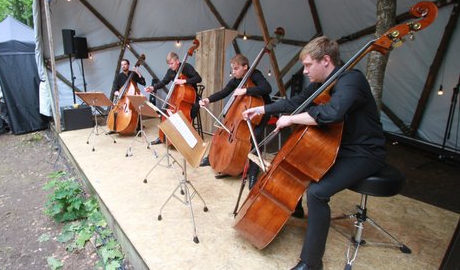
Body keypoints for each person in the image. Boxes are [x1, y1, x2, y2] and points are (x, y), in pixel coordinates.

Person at [242, 36, 386, 270]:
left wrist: (291, 120)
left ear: (326, 61)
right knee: (303, 159)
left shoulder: (352, 79)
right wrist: (262, 108)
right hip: (336, 146)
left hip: (363, 152)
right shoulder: (322, 82)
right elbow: (296, 102)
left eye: (308, 65)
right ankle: (295, 207)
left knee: (318, 192)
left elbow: (332, 113)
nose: (305, 70)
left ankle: (311, 263)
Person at [198, 54, 272, 189]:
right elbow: (224, 92)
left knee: (255, 137)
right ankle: (211, 158)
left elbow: (267, 88)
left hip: (262, 112)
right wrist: (208, 99)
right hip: (244, 112)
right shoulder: (236, 79)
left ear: (245, 67)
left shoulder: (255, 74)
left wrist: (245, 90)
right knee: (222, 130)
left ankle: (253, 173)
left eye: (236, 69)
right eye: (232, 69)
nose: (233, 72)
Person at [145, 52, 202, 145]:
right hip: (177, 97)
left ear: (177, 61)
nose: (170, 66)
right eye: (169, 64)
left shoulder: (186, 67)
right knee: (165, 111)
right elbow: (164, 82)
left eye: (172, 63)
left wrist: (184, 80)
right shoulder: (170, 71)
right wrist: (153, 88)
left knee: (194, 108)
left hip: (191, 96)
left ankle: (188, 134)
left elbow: (198, 78)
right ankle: (162, 136)